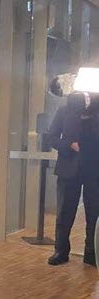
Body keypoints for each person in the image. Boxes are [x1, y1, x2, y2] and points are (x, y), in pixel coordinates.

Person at [47, 92, 99, 266]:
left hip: (94, 170)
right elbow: (51, 137)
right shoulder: (64, 110)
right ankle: (61, 251)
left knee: (94, 214)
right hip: (69, 169)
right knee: (64, 213)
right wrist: (69, 144)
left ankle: (91, 253)